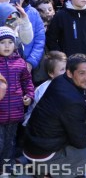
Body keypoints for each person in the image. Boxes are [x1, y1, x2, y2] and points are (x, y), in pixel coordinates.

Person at [23, 54, 86, 177]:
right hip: (44, 155)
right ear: (69, 73)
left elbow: (82, 108)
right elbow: (81, 141)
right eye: (82, 73)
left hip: (33, 147)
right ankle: (50, 173)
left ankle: (48, 170)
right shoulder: (71, 98)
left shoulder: (60, 81)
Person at [0, 27, 34, 173]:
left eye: (10, 42)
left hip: (15, 111)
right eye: (2, 42)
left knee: (10, 142)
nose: (7, 46)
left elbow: (27, 81)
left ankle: (5, 167)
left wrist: (29, 96)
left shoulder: (20, 62)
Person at [9, 0, 46, 74]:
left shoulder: (33, 12)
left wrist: (31, 62)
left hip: (28, 66)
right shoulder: (5, 11)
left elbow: (40, 40)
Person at [23, 51, 67, 126]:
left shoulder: (67, 85)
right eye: (62, 70)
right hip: (36, 124)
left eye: (66, 68)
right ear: (51, 73)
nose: (66, 72)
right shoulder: (44, 89)